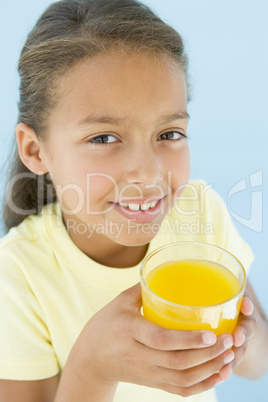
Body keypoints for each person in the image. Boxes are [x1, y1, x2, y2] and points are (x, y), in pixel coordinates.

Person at [0, 0, 267, 401]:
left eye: (169, 134)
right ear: (36, 151)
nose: (147, 173)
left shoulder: (199, 215)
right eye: (103, 138)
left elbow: (258, 364)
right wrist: (93, 365)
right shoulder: (18, 278)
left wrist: (240, 341)